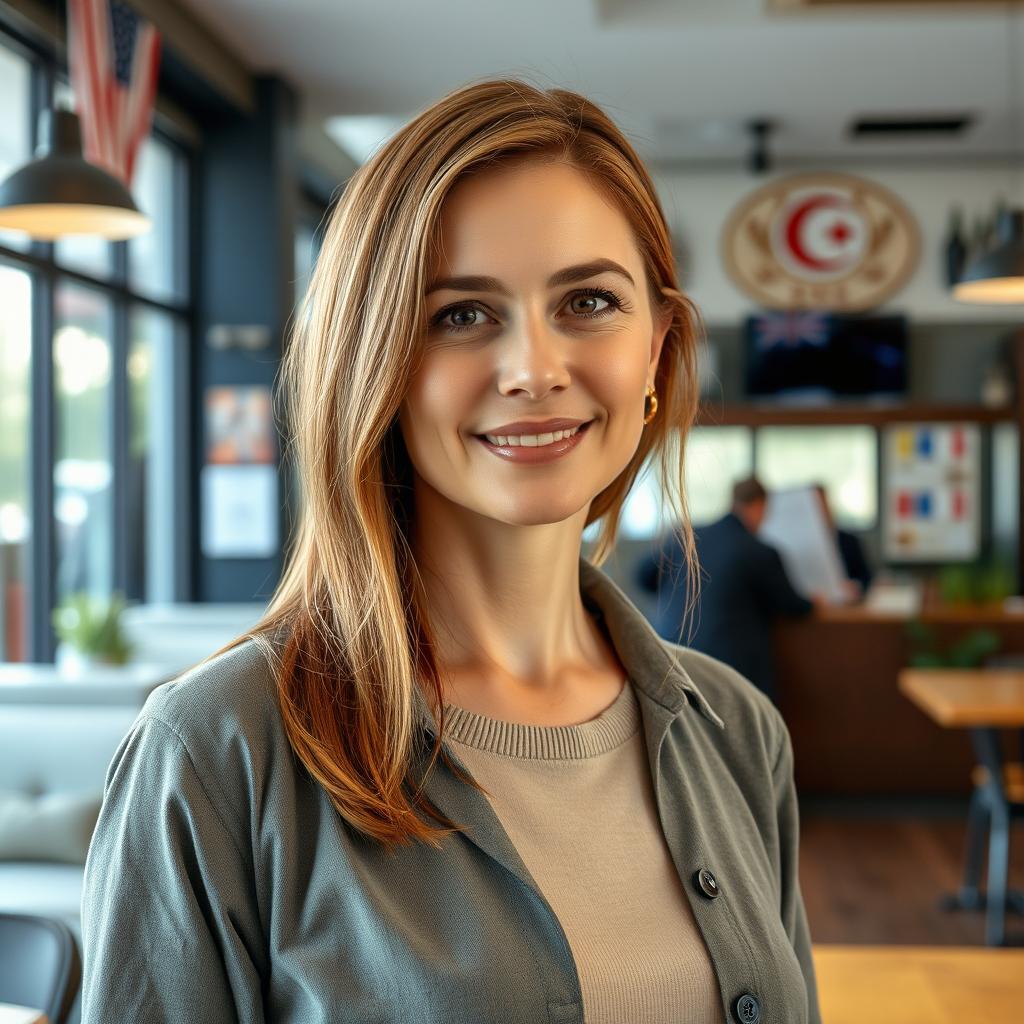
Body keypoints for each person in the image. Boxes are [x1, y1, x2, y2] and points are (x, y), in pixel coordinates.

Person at [80, 80, 822, 1024]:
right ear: (374, 358)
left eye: (589, 300)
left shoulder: (737, 731)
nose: (535, 369)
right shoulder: (221, 752)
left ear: (658, 351)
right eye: (462, 314)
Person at [638, 476, 825, 703]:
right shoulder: (758, 551)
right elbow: (793, 606)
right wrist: (815, 601)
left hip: (670, 658)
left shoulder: (687, 537)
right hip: (731, 672)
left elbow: (642, 577)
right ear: (758, 506)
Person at [811, 482, 873, 599]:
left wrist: (856, 586)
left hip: (846, 607)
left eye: (821, 504)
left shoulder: (849, 541)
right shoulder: (797, 546)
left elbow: (866, 576)